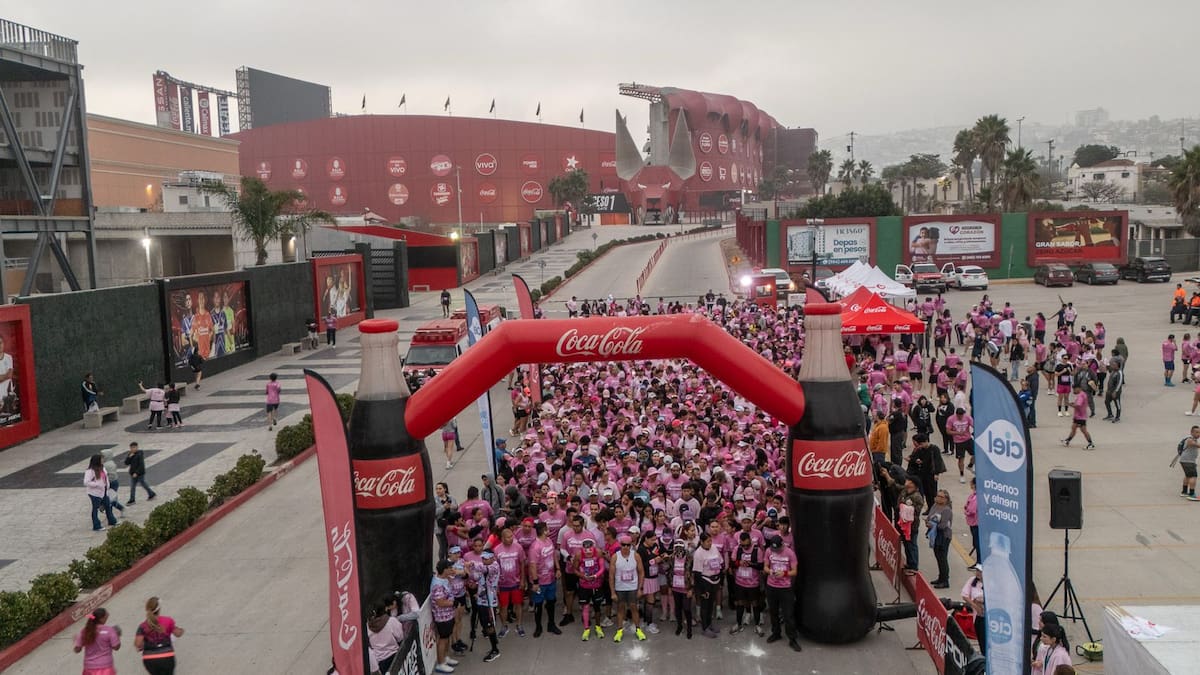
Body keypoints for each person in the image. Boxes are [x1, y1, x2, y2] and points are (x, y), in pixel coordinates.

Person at [763, 535, 802, 652]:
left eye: (778, 549)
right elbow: (765, 566)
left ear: (783, 545)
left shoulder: (790, 553)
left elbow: (795, 571)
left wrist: (784, 574)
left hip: (785, 588)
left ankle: (792, 638)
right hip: (771, 586)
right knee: (773, 612)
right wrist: (770, 571)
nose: (776, 551)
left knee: (788, 614)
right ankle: (776, 633)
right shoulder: (769, 551)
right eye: (774, 550)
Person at [609, 534, 646, 641]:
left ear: (631, 545)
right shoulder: (615, 557)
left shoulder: (636, 556)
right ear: (620, 545)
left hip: (633, 587)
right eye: (623, 545)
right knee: (621, 608)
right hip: (620, 588)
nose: (625, 547)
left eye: (628, 545)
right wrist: (612, 592)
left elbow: (641, 572)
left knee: (634, 608)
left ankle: (638, 629)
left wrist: (640, 588)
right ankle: (619, 630)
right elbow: (611, 576)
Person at [135, 596, 184, 674]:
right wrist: (181, 630)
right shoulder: (168, 621)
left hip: (149, 659)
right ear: (159, 609)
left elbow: (138, 644)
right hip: (167, 656)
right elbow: (178, 633)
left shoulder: (142, 626)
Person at [691, 531, 724, 639]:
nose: (710, 543)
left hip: (715, 580)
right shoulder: (698, 553)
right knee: (705, 606)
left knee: (711, 605)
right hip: (705, 581)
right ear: (701, 542)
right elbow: (697, 574)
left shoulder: (714, 548)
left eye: (711, 541)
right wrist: (702, 590)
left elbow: (720, 562)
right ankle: (705, 627)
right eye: (708, 541)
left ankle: (710, 624)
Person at [471, 549, 502, 662]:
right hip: (481, 600)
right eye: (482, 558)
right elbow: (476, 577)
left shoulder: (494, 566)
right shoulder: (484, 566)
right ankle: (493, 644)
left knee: (489, 626)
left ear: (492, 558)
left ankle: (495, 650)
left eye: (485, 558)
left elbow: (483, 569)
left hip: (489, 602)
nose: (483, 560)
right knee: (485, 625)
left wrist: (472, 563)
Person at [575, 536, 607, 641]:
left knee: (597, 607)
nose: (588, 553)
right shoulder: (579, 555)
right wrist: (582, 576)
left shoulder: (598, 552)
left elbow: (602, 568)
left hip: (597, 585)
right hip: (584, 585)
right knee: (585, 607)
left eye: (590, 551)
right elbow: (574, 569)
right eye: (586, 551)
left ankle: (598, 627)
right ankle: (586, 628)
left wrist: (595, 576)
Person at [431, 561, 459, 674]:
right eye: (449, 567)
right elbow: (440, 602)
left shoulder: (445, 579)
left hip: (448, 615)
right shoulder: (437, 585)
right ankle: (441, 663)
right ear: (444, 569)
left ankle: (445, 657)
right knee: (443, 639)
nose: (451, 569)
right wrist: (453, 603)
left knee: (447, 637)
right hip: (442, 617)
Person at [74, 607, 120, 675]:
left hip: (89, 668)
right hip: (105, 668)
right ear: (101, 619)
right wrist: (118, 637)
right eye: (106, 616)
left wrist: (76, 642)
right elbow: (116, 647)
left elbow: (77, 650)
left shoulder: (85, 631)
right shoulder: (109, 630)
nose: (107, 617)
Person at [925, 490, 954, 588]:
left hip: (943, 536)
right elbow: (929, 517)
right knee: (938, 557)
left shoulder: (946, 510)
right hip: (935, 535)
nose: (939, 498)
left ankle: (945, 580)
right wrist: (928, 523)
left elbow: (943, 526)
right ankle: (940, 577)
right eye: (938, 496)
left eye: (942, 497)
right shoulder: (934, 506)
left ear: (946, 499)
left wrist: (932, 525)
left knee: (942, 558)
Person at [366, 603, 404, 673]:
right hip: (396, 656)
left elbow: (369, 646)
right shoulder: (391, 621)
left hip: (380, 662)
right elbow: (400, 637)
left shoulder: (366, 629)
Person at [85, 453, 118, 531]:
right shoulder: (90, 471)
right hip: (95, 493)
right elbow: (86, 482)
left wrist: (107, 485)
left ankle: (112, 521)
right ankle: (96, 525)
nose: (103, 460)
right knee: (95, 509)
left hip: (104, 491)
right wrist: (97, 485)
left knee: (108, 506)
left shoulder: (102, 468)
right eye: (101, 459)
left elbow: (105, 478)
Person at [899, 477, 924, 575]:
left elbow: (917, 510)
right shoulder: (905, 492)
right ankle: (909, 562)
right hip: (903, 523)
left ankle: (914, 566)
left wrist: (907, 508)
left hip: (912, 525)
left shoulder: (917, 496)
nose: (906, 482)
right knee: (906, 544)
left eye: (909, 481)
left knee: (912, 544)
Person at [1061, 384, 1095, 450]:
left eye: (1074, 389)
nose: (1073, 390)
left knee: (1084, 431)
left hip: (1080, 416)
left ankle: (1091, 443)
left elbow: (1078, 405)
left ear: (1079, 388)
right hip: (1078, 416)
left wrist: (1070, 404)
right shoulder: (1082, 394)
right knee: (1073, 428)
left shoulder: (1081, 395)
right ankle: (1067, 441)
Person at [962, 564, 986, 655]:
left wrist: (981, 601)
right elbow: (965, 595)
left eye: (980, 571)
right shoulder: (972, 581)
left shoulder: (992, 583)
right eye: (977, 571)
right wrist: (974, 605)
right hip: (978, 617)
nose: (978, 573)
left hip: (988, 618)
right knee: (981, 640)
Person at [947, 407, 974, 483]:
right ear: (957, 414)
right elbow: (948, 431)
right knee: (961, 459)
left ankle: (970, 465)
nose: (961, 417)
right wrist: (958, 433)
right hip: (958, 442)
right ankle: (962, 475)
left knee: (976, 454)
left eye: (962, 415)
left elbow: (973, 424)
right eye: (959, 416)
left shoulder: (967, 417)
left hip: (968, 439)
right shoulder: (951, 419)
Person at [1177, 425, 1199, 500]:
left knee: (1188, 476)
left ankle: (1184, 491)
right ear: (1191, 432)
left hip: (1186, 460)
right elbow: (1192, 444)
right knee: (1193, 476)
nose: (1198, 434)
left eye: (1199, 432)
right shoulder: (1190, 439)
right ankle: (1192, 494)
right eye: (1196, 432)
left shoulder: (1191, 438)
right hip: (1188, 461)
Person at [964, 478, 980, 560]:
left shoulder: (976, 497)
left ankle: (979, 562)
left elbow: (971, 510)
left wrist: (966, 511)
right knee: (976, 543)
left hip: (975, 523)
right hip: (974, 522)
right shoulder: (974, 495)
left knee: (977, 543)